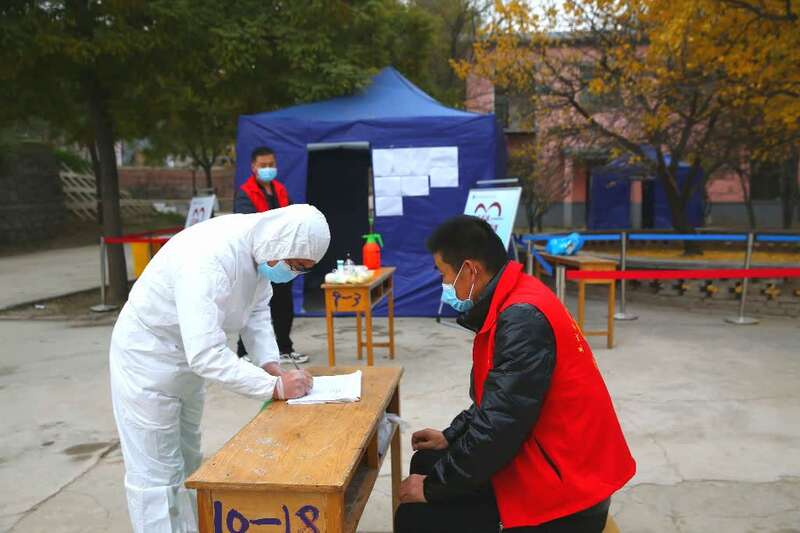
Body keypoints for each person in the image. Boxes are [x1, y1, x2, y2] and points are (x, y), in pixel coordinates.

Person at [395, 215, 636, 533]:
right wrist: (450, 436)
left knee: (418, 514)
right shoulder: (517, 296)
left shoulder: (521, 319)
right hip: (549, 454)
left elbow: (499, 427)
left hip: (566, 486)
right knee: (426, 461)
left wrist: (431, 488)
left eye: (444, 274)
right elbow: (498, 402)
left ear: (470, 270)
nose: (444, 285)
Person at [109, 204, 330, 533]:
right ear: (281, 245)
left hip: (185, 363)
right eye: (295, 265)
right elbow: (206, 355)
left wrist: (273, 368)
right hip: (148, 362)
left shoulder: (260, 250)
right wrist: (274, 387)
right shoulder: (209, 259)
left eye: (301, 270)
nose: (293, 273)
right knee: (156, 475)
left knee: (187, 460)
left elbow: (255, 315)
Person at [234, 146, 309, 365]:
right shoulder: (245, 192)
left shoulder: (280, 189)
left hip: (281, 257)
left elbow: (292, 215)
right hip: (256, 259)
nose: (268, 169)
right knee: (253, 305)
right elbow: (247, 223)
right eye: (263, 165)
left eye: (271, 165)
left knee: (284, 303)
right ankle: (243, 352)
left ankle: (285, 347)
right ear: (253, 167)